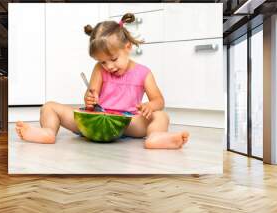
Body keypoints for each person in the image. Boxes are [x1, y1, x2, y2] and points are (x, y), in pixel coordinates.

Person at [16, 13, 189, 149]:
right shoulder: (99, 69)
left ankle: (155, 137)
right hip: (93, 122)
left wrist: (150, 107)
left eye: (113, 59)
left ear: (127, 47)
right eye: (103, 62)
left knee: (161, 116)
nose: (109, 66)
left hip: (127, 124)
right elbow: (91, 98)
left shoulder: (144, 73)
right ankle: (48, 132)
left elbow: (159, 101)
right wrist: (90, 98)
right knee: (49, 106)